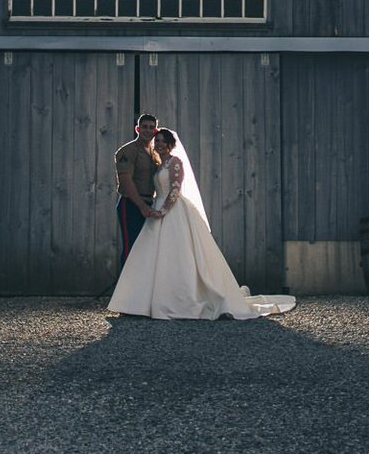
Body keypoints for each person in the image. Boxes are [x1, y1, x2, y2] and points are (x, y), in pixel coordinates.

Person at [107, 127, 296, 320]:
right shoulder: (158, 164)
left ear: (171, 144)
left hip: (173, 212)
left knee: (179, 255)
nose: (160, 144)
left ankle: (180, 300)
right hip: (156, 211)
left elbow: (175, 190)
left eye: (163, 141)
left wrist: (162, 211)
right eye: (158, 141)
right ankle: (139, 303)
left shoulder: (175, 162)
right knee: (149, 256)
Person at [113, 112, 160, 267]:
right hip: (131, 205)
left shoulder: (155, 153)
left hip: (149, 204)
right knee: (131, 248)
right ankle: (124, 289)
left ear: (155, 131)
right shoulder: (128, 151)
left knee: (146, 249)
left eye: (151, 128)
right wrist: (141, 206)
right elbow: (126, 182)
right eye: (144, 127)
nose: (148, 130)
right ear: (137, 129)